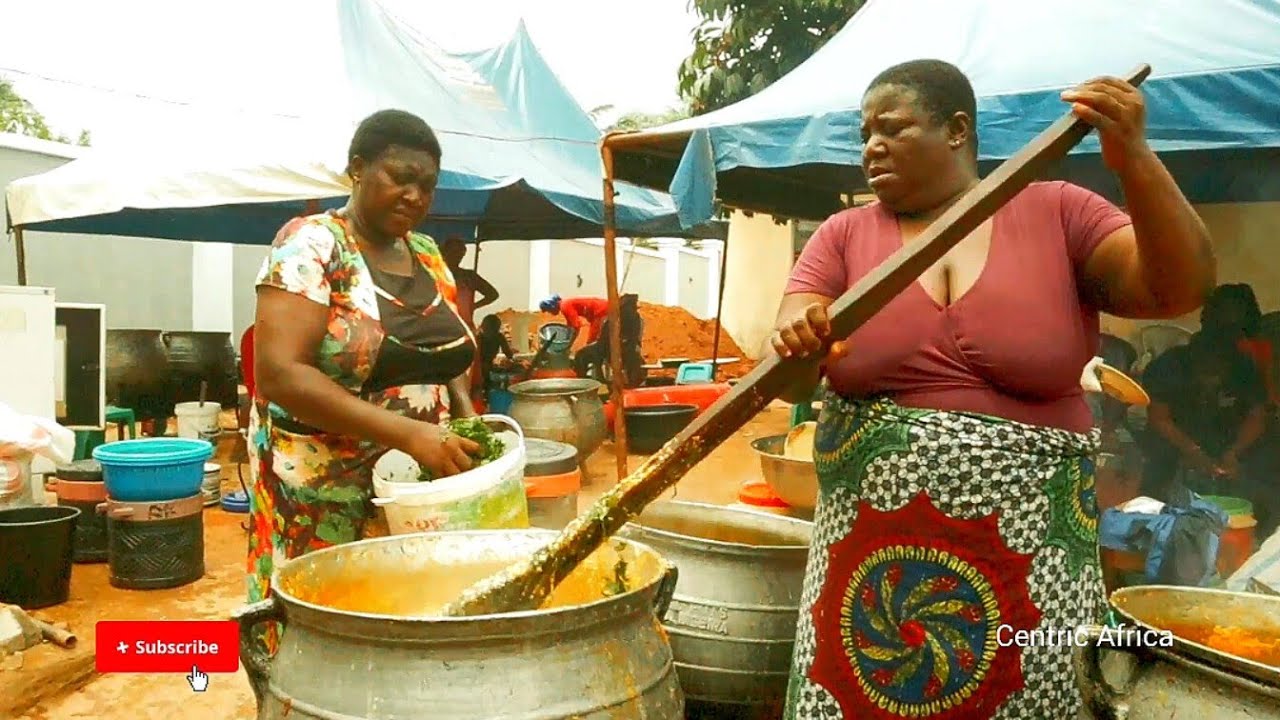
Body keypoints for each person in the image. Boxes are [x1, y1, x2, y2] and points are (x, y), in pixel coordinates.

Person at [770, 60, 1213, 719]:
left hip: (1030, 575)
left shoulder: (1058, 211)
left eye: (892, 128)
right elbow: (785, 370)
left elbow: (1180, 287)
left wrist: (1134, 161)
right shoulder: (843, 237)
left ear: (956, 130)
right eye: (864, 133)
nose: (871, 147)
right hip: (870, 585)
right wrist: (796, 341)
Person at [250, 109, 482, 658]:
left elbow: (446, 359)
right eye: (399, 176)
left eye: (426, 184)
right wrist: (407, 433)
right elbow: (280, 373)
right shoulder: (311, 244)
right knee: (319, 633)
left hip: (410, 491)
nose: (414, 194)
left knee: (401, 622)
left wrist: (470, 420)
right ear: (357, 168)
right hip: (320, 493)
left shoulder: (426, 254)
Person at [1142, 285, 1276, 534]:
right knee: (1160, 477)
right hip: (1176, 447)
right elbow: (1159, 419)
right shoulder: (1169, 366)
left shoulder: (1244, 367)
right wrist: (1192, 452)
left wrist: (1234, 452)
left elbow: (1257, 416)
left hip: (1226, 446)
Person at [575, 293, 645, 386]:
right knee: (582, 355)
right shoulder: (615, 316)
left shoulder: (629, 317)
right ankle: (589, 383)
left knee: (582, 355)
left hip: (623, 349)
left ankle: (586, 383)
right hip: (609, 347)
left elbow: (633, 338)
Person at [440, 237, 499, 329]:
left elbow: (492, 294)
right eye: (453, 252)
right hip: (439, 325)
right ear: (444, 253)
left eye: (459, 253)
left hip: (463, 325)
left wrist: (473, 306)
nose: (457, 256)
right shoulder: (435, 274)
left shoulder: (469, 276)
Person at [539, 294, 610, 346]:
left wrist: (569, 344)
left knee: (591, 342)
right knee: (600, 339)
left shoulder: (564, 306)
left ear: (552, 306)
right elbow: (570, 327)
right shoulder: (565, 304)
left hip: (600, 311)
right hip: (602, 309)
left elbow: (576, 326)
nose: (550, 313)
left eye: (548, 310)